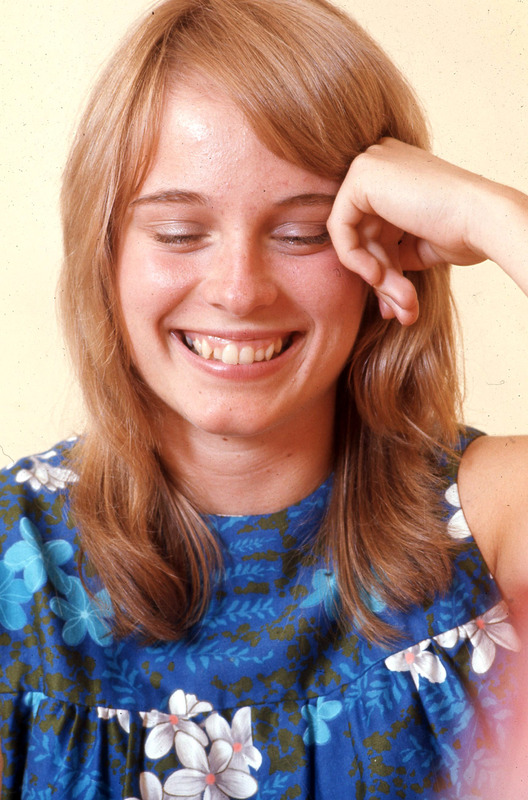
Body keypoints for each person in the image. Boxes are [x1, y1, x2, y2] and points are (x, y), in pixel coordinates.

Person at [0, 0, 526, 797]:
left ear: (386, 245)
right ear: (104, 257)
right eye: (179, 233)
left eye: (303, 232)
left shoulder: (493, 523)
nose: (239, 291)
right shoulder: (15, 560)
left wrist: (494, 215)